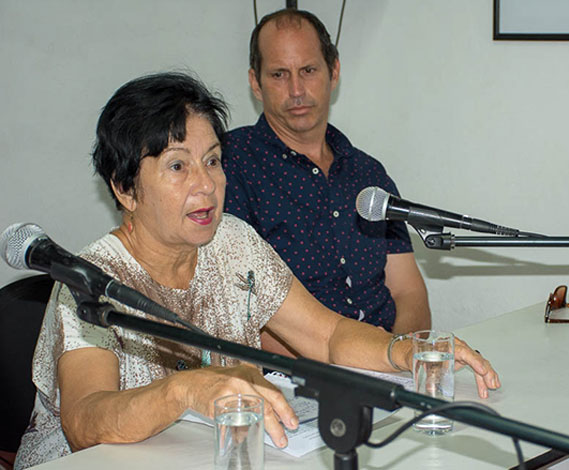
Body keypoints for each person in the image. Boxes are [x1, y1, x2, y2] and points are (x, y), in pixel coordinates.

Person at [14, 72, 499, 469]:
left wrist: (406, 351)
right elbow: (84, 423)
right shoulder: (90, 280)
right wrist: (183, 390)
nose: (206, 185)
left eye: (213, 161)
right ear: (124, 188)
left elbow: (327, 336)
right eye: (178, 167)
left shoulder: (235, 241)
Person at [222, 9, 431, 357]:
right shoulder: (231, 165)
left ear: (333, 72)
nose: (296, 90)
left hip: (387, 366)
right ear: (255, 83)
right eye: (278, 74)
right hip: (298, 376)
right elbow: (236, 313)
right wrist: (348, 364)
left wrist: (398, 355)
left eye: (308, 70)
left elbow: (409, 291)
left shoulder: (368, 172)